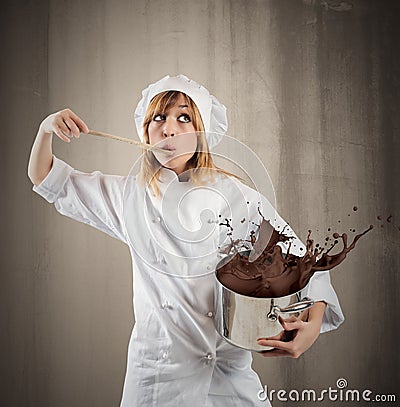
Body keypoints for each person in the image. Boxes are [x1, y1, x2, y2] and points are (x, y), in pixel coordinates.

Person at [28, 74, 344, 406]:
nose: (168, 129)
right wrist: (45, 130)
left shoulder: (237, 196)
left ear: (201, 133)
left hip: (230, 373)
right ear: (145, 132)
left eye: (184, 118)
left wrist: (314, 319)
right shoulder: (128, 197)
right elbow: (47, 178)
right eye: (158, 119)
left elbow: (300, 258)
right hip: (158, 377)